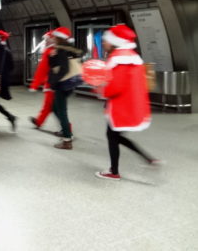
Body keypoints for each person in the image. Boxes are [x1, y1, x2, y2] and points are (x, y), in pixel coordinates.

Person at [95, 24, 159, 181]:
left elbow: (115, 86)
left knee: (112, 137)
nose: (103, 43)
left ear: (114, 41)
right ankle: (148, 158)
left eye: (105, 41)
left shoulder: (119, 59)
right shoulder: (129, 55)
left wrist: (100, 88)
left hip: (119, 106)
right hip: (128, 104)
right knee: (115, 136)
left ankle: (114, 171)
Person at [48, 27, 83, 150]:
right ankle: (65, 130)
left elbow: (63, 69)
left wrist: (53, 82)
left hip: (62, 84)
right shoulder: (70, 48)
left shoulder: (60, 50)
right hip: (71, 82)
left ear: (58, 37)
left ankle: (67, 139)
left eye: (54, 36)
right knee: (54, 108)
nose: (52, 38)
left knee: (61, 111)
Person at [29, 31, 55, 128]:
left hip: (51, 85)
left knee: (56, 109)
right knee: (48, 107)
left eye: (46, 39)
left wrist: (34, 85)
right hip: (54, 84)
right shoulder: (56, 50)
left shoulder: (48, 52)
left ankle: (67, 130)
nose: (45, 41)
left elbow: (41, 70)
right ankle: (39, 121)